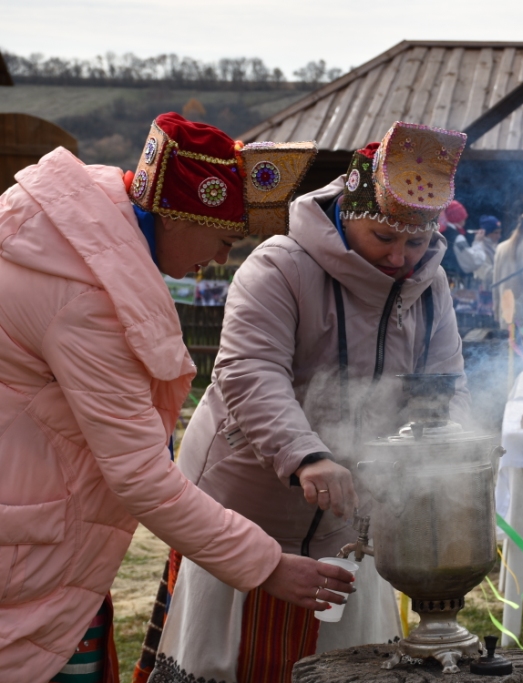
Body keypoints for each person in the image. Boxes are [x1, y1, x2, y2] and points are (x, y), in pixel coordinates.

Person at [0, 113, 354, 682]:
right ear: (183, 213)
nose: (219, 258)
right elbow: (141, 474)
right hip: (27, 548)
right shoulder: (87, 298)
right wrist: (266, 566)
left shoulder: (70, 230)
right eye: (224, 238)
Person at [141, 122, 472, 682]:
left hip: (352, 522)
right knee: (230, 663)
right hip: (246, 505)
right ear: (348, 212)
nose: (400, 257)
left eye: (415, 242)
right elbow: (249, 371)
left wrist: (457, 455)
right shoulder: (280, 266)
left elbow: (444, 386)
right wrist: (307, 455)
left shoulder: (430, 286)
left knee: (349, 664)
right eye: (384, 237)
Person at [492, 213, 523, 326]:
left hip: (506, 313)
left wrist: (496, 311)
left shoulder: (500, 247)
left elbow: (495, 282)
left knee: (507, 343)